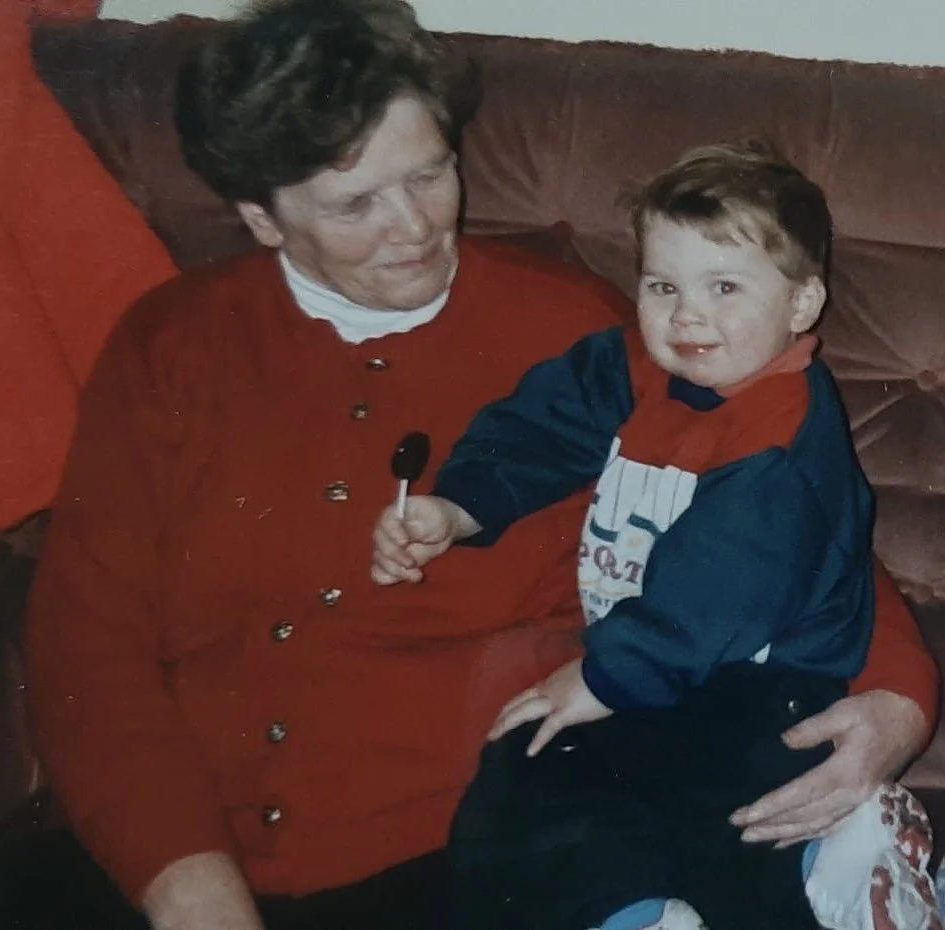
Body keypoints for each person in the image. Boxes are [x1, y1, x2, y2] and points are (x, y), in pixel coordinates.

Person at [19, 1, 936, 929]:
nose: (415, 226)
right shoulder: (170, 345)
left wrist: (899, 701)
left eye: (430, 175)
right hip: (169, 850)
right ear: (261, 216)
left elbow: (788, 520)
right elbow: (86, 640)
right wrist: (182, 881)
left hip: (468, 849)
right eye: (355, 204)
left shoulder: (576, 328)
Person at [370, 142, 941, 930]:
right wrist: (461, 507)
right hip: (683, 674)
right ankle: (809, 875)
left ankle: (769, 887)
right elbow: (547, 424)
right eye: (663, 285)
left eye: (725, 287)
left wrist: (603, 681)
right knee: (657, 814)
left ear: (802, 306)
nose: (687, 315)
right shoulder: (644, 367)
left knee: (536, 773)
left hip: (763, 685)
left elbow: (712, 592)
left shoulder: (778, 449)